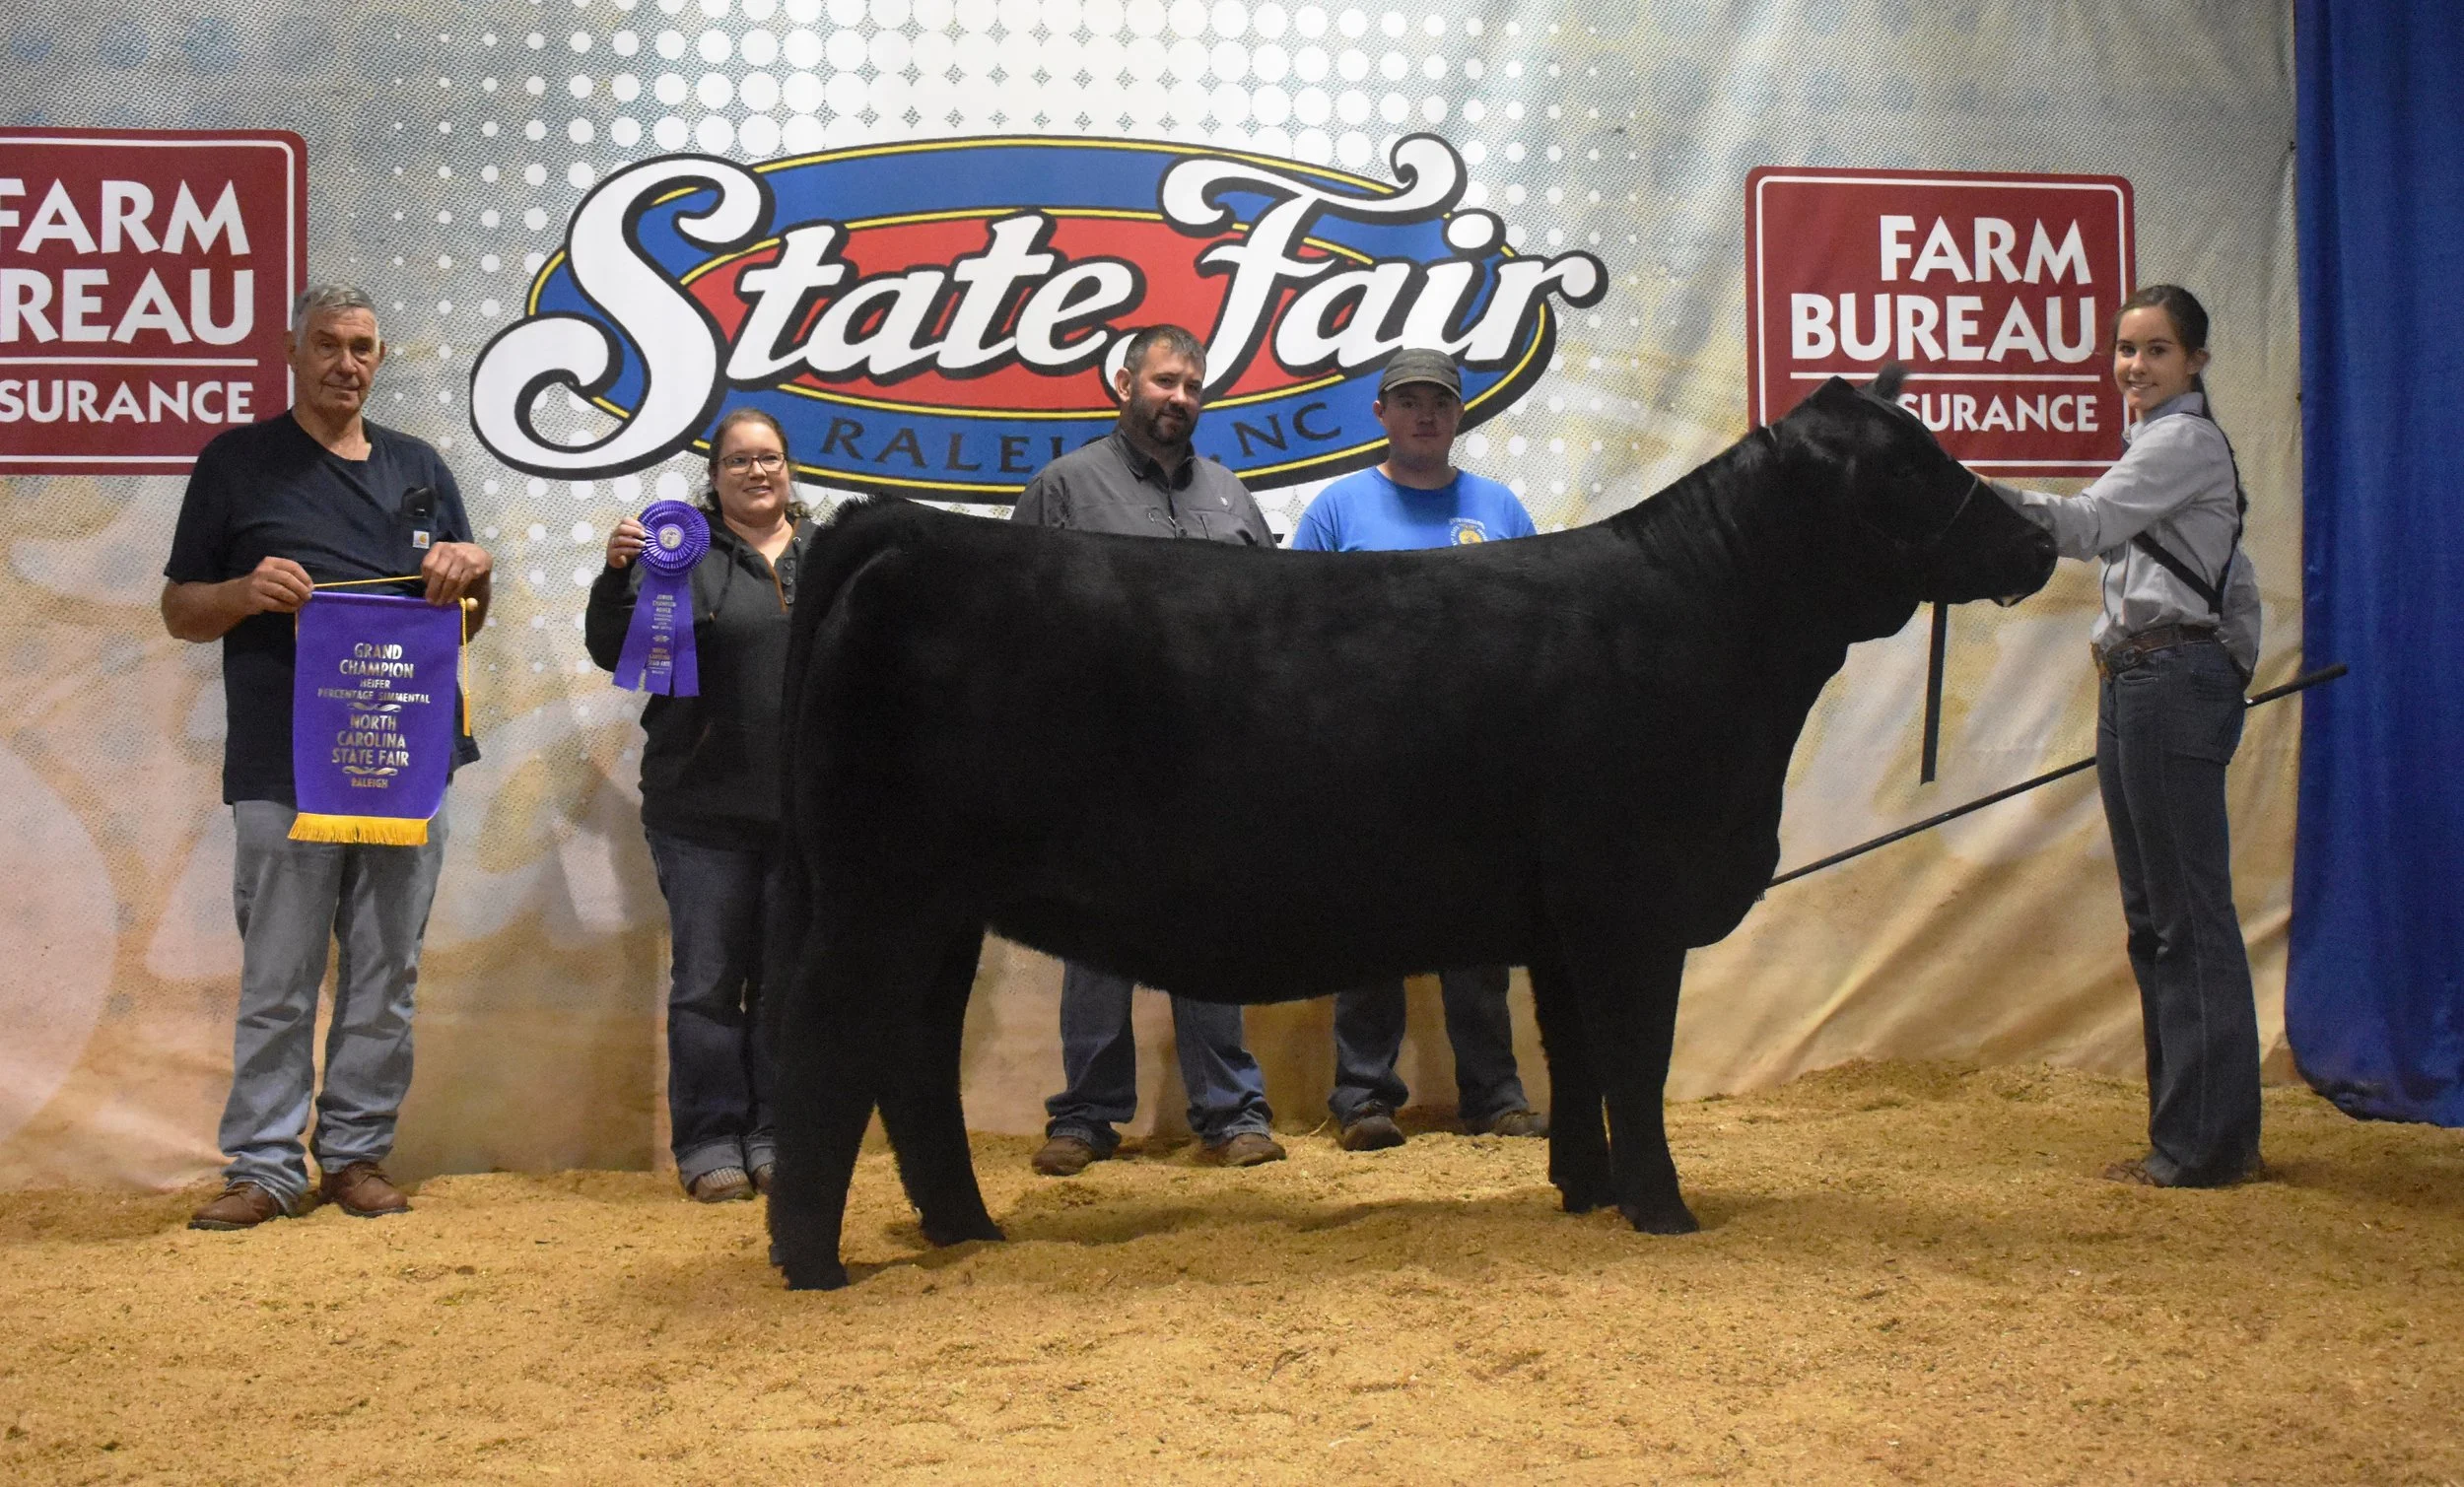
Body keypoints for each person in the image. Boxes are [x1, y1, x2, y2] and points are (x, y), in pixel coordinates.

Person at [163, 285, 493, 1231]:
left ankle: (354, 1152)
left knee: (388, 974)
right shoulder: (235, 463)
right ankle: (265, 1165)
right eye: (327, 345)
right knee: (279, 978)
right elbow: (180, 610)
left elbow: (468, 619)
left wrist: (478, 573)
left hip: (407, 761)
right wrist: (241, 590)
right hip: (285, 766)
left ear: (380, 359)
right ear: (291, 351)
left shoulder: (420, 467)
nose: (346, 363)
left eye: (362, 347)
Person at [1989, 284, 2265, 1188]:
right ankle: (2190, 1135)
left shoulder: (2183, 442)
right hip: (2144, 677)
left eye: (2156, 350)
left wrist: (1970, 496)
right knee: (2160, 918)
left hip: (2164, 680)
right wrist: (2227, 663)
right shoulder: (2162, 447)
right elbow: (2236, 581)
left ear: (2195, 361)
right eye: (2125, 349)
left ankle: (2205, 1146)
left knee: (2184, 916)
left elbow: (2087, 525)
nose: (2134, 366)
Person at [1009, 324, 1287, 1175]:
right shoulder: (1064, 488)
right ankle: (1087, 1115)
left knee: (1212, 929)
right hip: (1099, 758)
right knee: (1097, 936)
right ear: (1124, 384)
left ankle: (1231, 1112)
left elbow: (1273, 619)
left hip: (1213, 759)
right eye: (1165, 381)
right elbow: (1017, 620)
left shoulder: (1231, 496)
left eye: (1193, 386)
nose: (1180, 398)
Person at [1287, 348, 1549, 1151]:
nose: (1425, 414)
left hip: (1479, 758)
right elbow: (1293, 629)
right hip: (1366, 758)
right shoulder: (1337, 509)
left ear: (1460, 413)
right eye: (1408, 401)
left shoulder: (1501, 509)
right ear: (1381, 414)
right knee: (1370, 928)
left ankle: (1494, 1096)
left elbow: (1541, 628)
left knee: (1481, 937)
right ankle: (1364, 1098)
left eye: (1439, 400)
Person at [585, 409, 816, 1202]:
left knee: (787, 982)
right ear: (713, 477)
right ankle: (711, 1137)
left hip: (805, 817)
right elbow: (617, 650)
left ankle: (778, 1131)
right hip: (700, 812)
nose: (758, 472)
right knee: (708, 985)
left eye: (770, 457)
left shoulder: (827, 556)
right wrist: (616, 575)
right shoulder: (676, 553)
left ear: (789, 468)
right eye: (739, 460)